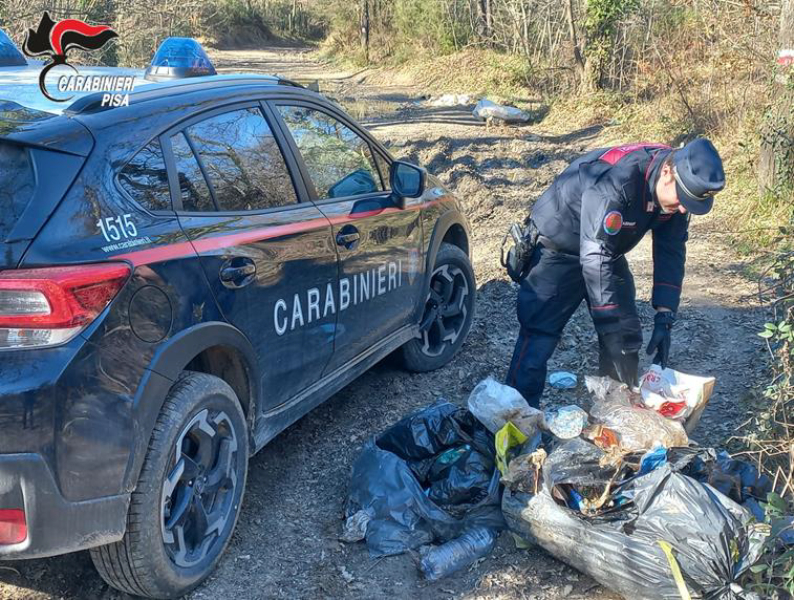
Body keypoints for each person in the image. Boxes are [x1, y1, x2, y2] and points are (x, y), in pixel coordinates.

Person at [505, 139, 725, 408]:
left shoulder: (676, 191)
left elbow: (671, 249)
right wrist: (606, 322)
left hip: (605, 250)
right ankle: (516, 427)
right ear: (667, 173)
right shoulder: (618, 183)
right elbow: (594, 257)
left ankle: (616, 417)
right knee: (539, 337)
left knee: (624, 338)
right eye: (682, 199)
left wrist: (665, 315)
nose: (682, 209)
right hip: (558, 246)